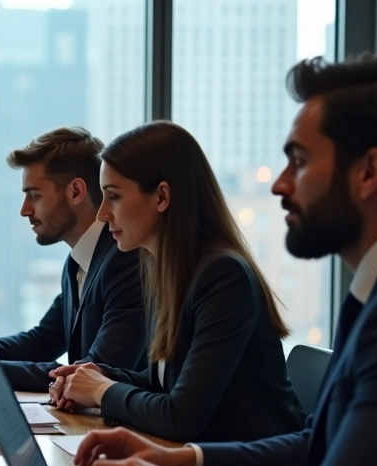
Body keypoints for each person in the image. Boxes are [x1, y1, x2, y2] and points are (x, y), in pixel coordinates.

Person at [71, 54, 377, 466]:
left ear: (369, 173)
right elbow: (316, 444)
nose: (279, 183)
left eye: (298, 160)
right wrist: (178, 460)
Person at [49, 121, 307, 442]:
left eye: (113, 196)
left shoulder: (223, 275)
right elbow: (166, 383)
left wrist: (102, 391)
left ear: (161, 197)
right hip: (204, 456)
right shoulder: (168, 269)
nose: (102, 213)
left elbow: (181, 416)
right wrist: (99, 377)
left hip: (256, 465)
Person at [0, 127, 146, 391]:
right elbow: (42, 342)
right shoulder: (78, 262)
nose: (24, 210)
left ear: (76, 191)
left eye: (35, 195)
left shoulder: (124, 260)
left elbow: (99, 369)